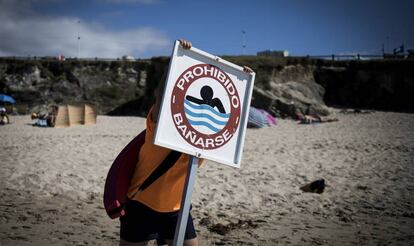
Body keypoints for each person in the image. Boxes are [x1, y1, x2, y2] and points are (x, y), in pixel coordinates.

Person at [119, 39, 254, 246]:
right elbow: (161, 94)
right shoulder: (160, 124)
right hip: (142, 203)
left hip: (176, 207)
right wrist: (179, 60)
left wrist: (241, 82)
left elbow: (232, 112)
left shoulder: (207, 137)